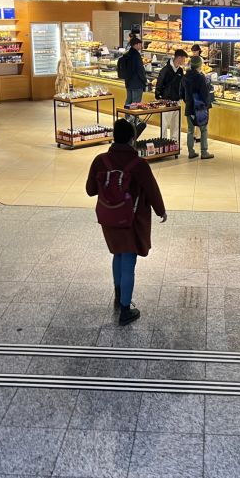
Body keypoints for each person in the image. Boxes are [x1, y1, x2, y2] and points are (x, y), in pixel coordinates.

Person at [86, 119, 167, 326]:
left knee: (117, 253)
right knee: (128, 261)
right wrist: (161, 211)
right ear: (133, 139)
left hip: (108, 218)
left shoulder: (100, 160)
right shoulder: (139, 164)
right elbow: (152, 191)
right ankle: (125, 309)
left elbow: (90, 190)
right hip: (130, 219)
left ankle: (118, 294)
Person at [182, 56, 214, 160]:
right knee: (203, 129)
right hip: (200, 107)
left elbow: (181, 92)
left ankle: (191, 152)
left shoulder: (185, 76)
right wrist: (207, 104)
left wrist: (187, 101)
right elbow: (204, 94)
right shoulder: (201, 77)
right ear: (199, 65)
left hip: (189, 106)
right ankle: (204, 152)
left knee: (190, 130)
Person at [121, 36, 148, 136]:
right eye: (140, 44)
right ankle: (134, 119)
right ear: (136, 45)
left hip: (128, 82)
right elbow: (140, 70)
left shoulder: (127, 53)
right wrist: (145, 80)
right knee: (136, 102)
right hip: (137, 83)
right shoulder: (136, 55)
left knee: (129, 100)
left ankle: (127, 118)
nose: (141, 46)